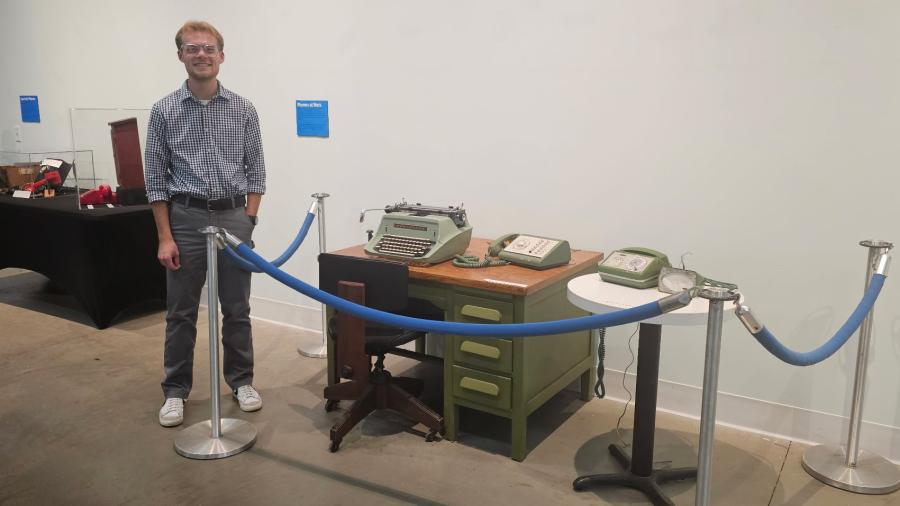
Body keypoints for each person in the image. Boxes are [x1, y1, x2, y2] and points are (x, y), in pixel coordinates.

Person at [144, 20, 266, 427]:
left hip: (234, 218)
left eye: (209, 48)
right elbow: (155, 180)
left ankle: (242, 381)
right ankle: (175, 391)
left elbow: (257, 171)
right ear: (180, 55)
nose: (201, 55)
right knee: (180, 312)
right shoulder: (163, 111)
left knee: (237, 307)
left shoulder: (244, 108)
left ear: (221, 56)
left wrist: (248, 219)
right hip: (186, 218)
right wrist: (165, 236)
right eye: (192, 48)